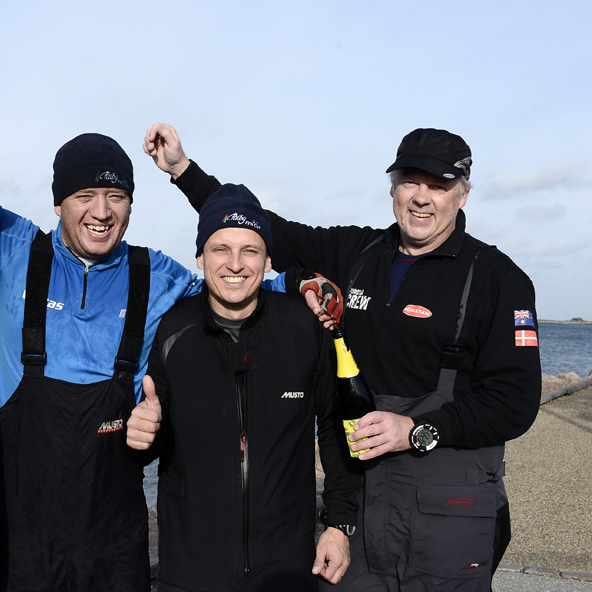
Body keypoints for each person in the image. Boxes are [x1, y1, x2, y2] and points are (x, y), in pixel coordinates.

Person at [0, 59, 344, 590]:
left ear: (131, 204)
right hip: (19, 533)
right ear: (58, 201)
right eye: (85, 196)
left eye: (117, 197)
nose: (101, 211)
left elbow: (231, 282)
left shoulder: (154, 274)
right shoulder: (12, 246)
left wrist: (293, 284)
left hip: (115, 538)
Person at [143, 123, 541, 592]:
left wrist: (416, 431)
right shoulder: (358, 252)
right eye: (410, 182)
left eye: (438, 186)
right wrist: (182, 170)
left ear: (464, 195)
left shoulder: (499, 279)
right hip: (364, 491)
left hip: (446, 503)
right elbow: (260, 233)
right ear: (393, 188)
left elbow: (515, 401)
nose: (421, 198)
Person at [125, 184, 360, 591]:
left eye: (250, 250)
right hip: (191, 568)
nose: (235, 264)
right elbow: (159, 444)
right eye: (220, 249)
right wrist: (145, 433)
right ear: (200, 257)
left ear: (268, 259)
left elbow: (336, 428)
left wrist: (340, 524)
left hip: (286, 565)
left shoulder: (304, 329)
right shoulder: (171, 331)